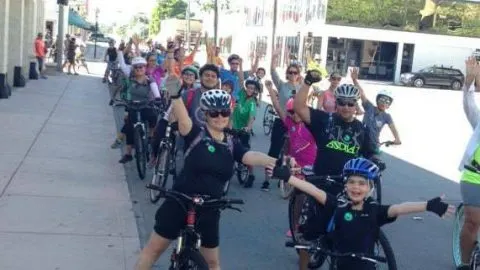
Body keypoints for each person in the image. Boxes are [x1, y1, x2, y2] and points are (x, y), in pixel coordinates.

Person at [134, 77, 278, 270]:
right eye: (214, 113)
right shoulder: (196, 133)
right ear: (205, 114)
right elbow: (184, 120)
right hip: (180, 200)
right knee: (153, 251)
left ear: (230, 112)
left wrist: (276, 162)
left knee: (212, 263)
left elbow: (249, 156)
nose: (220, 117)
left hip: (210, 206)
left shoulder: (231, 142)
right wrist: (176, 96)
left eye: (224, 112)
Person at [271, 157, 454, 270]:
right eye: (351, 182)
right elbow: (314, 190)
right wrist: (288, 177)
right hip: (341, 264)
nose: (356, 187)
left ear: (370, 188)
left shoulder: (374, 211)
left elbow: (400, 208)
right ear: (345, 185)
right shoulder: (339, 206)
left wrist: (428, 205)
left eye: (361, 183)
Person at [293, 70, 379, 269]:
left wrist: (376, 161)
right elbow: (299, 106)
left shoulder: (361, 129)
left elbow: (369, 153)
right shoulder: (325, 120)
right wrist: (307, 82)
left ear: (356, 106)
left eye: (350, 103)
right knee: (309, 234)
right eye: (342, 102)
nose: (346, 107)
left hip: (349, 186)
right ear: (335, 103)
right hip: (323, 182)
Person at [263, 48, 302, 190]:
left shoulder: (302, 87)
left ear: (299, 75)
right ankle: (267, 179)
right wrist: (274, 57)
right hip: (281, 120)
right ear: (287, 74)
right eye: (290, 72)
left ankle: (289, 178)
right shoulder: (282, 85)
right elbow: (272, 72)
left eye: (295, 72)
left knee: (294, 153)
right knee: (274, 150)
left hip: (297, 123)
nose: (292, 74)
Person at [458, 56, 480, 270]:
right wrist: (469, 82)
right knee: (473, 221)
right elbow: (469, 104)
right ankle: (465, 263)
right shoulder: (479, 121)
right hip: (475, 176)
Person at [118, 57, 161, 164]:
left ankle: (151, 135)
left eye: (141, 67)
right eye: (136, 67)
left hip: (146, 105)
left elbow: (155, 89)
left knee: (152, 116)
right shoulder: (130, 79)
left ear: (145, 68)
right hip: (132, 105)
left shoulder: (149, 80)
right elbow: (123, 66)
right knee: (128, 127)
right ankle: (128, 154)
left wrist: (158, 98)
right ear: (133, 69)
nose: (139, 69)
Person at [350, 67, 401, 151]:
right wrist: (355, 80)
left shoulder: (387, 116)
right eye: (382, 100)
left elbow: (393, 128)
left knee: (375, 162)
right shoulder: (369, 107)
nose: (384, 103)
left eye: (387, 102)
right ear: (377, 100)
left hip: (374, 144)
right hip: (360, 141)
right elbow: (362, 93)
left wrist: (397, 138)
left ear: (389, 105)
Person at [232, 76, 260, 188]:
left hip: (243, 131)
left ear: (255, 91)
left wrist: (248, 128)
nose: (249, 90)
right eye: (248, 87)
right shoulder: (241, 94)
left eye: (252, 88)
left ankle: (251, 175)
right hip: (232, 128)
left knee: (246, 154)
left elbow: (251, 117)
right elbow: (240, 78)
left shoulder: (252, 103)